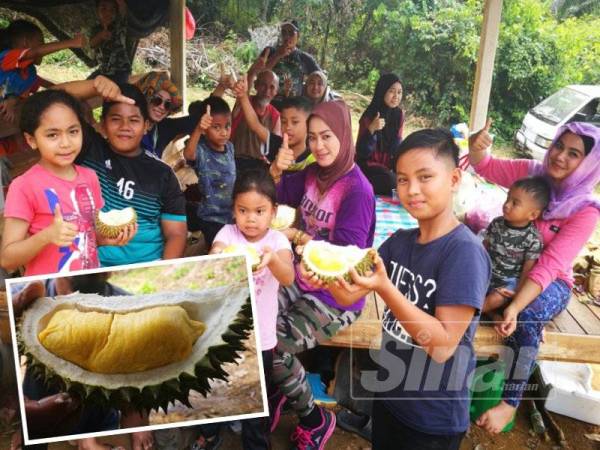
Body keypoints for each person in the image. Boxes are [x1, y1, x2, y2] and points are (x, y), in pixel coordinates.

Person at [329, 128, 490, 449]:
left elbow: (442, 346)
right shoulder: (398, 242)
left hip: (432, 420)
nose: (412, 189)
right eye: (402, 179)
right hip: (389, 399)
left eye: (425, 177)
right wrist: (324, 272)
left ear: (455, 179)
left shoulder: (464, 252)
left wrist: (386, 289)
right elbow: (348, 294)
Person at [468, 119, 600, 433]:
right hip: (503, 268)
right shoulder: (531, 174)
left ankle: (508, 402)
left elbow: (551, 264)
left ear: (589, 164)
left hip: (550, 282)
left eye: (573, 153)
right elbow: (485, 166)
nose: (560, 156)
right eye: (558, 146)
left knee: (527, 318)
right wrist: (476, 147)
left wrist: (515, 306)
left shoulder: (585, 210)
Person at [269, 100, 375, 449]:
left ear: (345, 135)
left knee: (276, 348)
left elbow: (345, 258)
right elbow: (278, 192)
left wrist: (298, 237)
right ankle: (283, 388)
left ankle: (315, 420)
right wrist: (276, 169)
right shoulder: (314, 171)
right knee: (252, 321)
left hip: (337, 296)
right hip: (300, 278)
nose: (319, 146)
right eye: (312, 138)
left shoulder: (358, 191)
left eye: (327, 136)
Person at [0, 90, 135, 276]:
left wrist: (105, 239)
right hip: (49, 294)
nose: (66, 143)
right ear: (32, 140)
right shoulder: (24, 185)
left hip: (88, 287)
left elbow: (86, 234)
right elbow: (7, 259)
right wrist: (46, 236)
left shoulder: (90, 177)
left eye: (73, 131)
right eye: (52, 135)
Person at [11, 276, 154, 450]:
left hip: (99, 421)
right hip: (36, 419)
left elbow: (136, 388)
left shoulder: (134, 310)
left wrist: (139, 429)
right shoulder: (22, 297)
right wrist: (20, 422)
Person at [57, 77, 187, 266]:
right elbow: (49, 100)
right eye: (116, 119)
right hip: (89, 265)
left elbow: (176, 233)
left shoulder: (162, 174)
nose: (125, 127)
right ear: (102, 124)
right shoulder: (89, 149)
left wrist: (165, 273)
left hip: (147, 265)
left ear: (146, 126)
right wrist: (94, 86)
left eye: (134, 120)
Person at [210, 169, 294, 449]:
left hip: (261, 340)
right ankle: (211, 433)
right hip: (227, 336)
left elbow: (288, 277)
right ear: (233, 210)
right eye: (243, 210)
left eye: (260, 211)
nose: (251, 218)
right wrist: (219, 257)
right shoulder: (228, 234)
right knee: (221, 388)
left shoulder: (277, 242)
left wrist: (271, 261)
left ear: (273, 211)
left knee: (257, 406)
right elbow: (216, 255)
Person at [0, 20, 84, 134]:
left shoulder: (30, 72)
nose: (44, 46)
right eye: (41, 42)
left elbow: (45, 84)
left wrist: (72, 96)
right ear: (25, 42)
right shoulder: (7, 57)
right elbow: (35, 52)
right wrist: (71, 43)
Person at [482, 176, 549, 315]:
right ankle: (488, 313)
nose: (506, 205)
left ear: (532, 215)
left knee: (495, 300)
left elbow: (527, 270)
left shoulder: (533, 239)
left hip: (507, 283)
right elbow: (483, 248)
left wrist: (517, 292)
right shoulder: (496, 223)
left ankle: (470, 315)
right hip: (485, 272)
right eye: (508, 199)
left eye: (515, 203)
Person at [183, 96, 236, 247]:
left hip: (230, 215)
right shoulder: (201, 151)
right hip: (211, 219)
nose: (224, 132)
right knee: (216, 252)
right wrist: (199, 129)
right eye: (216, 127)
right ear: (206, 129)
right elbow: (188, 154)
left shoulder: (230, 147)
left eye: (227, 126)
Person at [232, 76, 314, 171]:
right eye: (283, 122)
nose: (288, 127)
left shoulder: (313, 159)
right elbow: (255, 124)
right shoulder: (276, 145)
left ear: (309, 124)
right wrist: (243, 96)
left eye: (295, 122)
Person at [356, 73, 404, 196]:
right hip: (367, 167)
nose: (396, 96)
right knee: (390, 181)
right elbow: (362, 152)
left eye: (399, 92)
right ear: (382, 91)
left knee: (403, 180)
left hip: (387, 168)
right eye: (392, 91)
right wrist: (372, 129)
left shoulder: (398, 115)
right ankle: (359, 186)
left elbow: (397, 146)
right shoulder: (370, 115)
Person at [258, 20, 321, 109]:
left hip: (292, 109)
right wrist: (277, 55)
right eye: (284, 32)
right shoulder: (269, 52)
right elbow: (258, 76)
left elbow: (321, 79)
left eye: (291, 33)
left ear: (298, 36)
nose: (287, 36)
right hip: (267, 105)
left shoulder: (304, 58)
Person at [135, 71, 200, 159]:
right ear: (146, 98)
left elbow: (195, 120)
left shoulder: (164, 127)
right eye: (157, 100)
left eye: (167, 104)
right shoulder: (129, 126)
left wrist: (221, 88)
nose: (162, 107)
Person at [230, 70, 281, 172]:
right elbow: (243, 92)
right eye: (263, 85)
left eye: (272, 87)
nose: (267, 91)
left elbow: (276, 146)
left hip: (259, 167)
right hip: (235, 162)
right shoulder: (243, 103)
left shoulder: (275, 115)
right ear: (255, 85)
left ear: (276, 91)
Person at [88, 0, 131, 84]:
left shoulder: (119, 25)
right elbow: (91, 45)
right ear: (97, 11)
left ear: (116, 13)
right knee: (85, 85)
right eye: (103, 8)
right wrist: (100, 36)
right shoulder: (95, 29)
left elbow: (123, 8)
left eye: (112, 10)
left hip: (120, 71)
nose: (108, 13)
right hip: (104, 70)